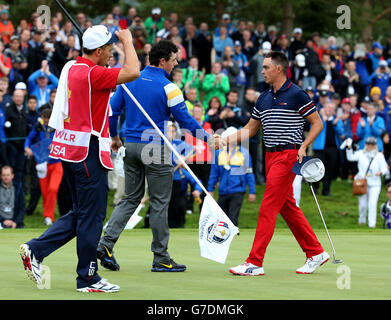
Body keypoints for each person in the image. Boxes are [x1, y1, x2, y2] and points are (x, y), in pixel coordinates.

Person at [19, 26, 140, 293]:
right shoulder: (93, 73)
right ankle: (87, 278)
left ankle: (35, 250)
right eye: (109, 49)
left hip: (70, 150)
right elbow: (133, 71)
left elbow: (85, 60)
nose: (111, 53)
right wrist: (128, 42)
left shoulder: (71, 67)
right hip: (89, 151)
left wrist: (100, 47)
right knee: (92, 216)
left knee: (81, 213)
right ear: (98, 50)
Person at [96, 40, 222, 273]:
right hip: (156, 148)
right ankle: (161, 258)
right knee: (159, 203)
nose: (176, 64)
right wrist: (207, 138)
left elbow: (113, 111)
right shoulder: (169, 87)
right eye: (174, 60)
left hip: (131, 146)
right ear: (162, 60)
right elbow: (184, 120)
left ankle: (105, 244)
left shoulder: (128, 80)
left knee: (130, 199)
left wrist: (114, 137)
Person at [226, 51, 328, 276]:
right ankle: (315, 252)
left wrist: (304, 145)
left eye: (266, 67)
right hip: (270, 156)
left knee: (268, 206)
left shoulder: (297, 94)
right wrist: (224, 140)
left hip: (289, 156)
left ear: (279, 69)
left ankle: (255, 262)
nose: (262, 71)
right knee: (287, 207)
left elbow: (317, 123)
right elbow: (250, 129)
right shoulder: (263, 97)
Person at [207, 126, 256, 226]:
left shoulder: (244, 153)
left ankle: (233, 237)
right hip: (223, 190)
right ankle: (221, 239)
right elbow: (214, 173)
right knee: (221, 217)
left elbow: (249, 173)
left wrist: (252, 191)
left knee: (233, 217)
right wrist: (210, 189)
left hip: (238, 190)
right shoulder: (218, 153)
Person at [24, 108, 62, 226]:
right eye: (44, 118)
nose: (45, 121)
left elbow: (64, 141)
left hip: (56, 163)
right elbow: (29, 138)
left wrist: (55, 145)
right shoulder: (38, 126)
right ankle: (48, 217)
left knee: (52, 189)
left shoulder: (59, 128)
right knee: (45, 192)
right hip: (42, 163)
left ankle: (49, 216)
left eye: (47, 119)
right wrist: (27, 147)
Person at [346, 136, 389, 228]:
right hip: (362, 183)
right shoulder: (361, 153)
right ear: (366, 144)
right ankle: (361, 221)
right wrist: (349, 148)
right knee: (362, 205)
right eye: (368, 144)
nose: (370, 146)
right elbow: (350, 157)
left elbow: (385, 168)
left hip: (375, 183)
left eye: (372, 144)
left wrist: (380, 172)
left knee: (372, 204)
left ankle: (371, 225)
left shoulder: (379, 155)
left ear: (375, 145)